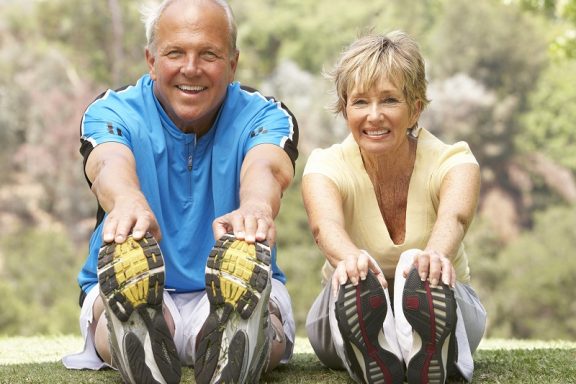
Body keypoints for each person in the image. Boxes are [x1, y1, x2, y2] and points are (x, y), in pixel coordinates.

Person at [62, 0, 299, 383]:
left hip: (237, 286)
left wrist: (256, 205)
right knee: (122, 310)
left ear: (233, 63)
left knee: (260, 310)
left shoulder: (265, 115)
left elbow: (267, 165)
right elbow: (107, 163)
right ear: (151, 60)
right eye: (175, 53)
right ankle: (138, 326)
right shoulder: (113, 111)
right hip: (140, 284)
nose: (191, 68)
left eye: (209, 54)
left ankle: (242, 330)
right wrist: (127, 201)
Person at [303, 31, 486, 384]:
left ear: (415, 107)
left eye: (389, 100)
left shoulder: (454, 160)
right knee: (355, 278)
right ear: (344, 109)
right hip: (342, 302)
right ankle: (376, 343)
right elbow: (324, 227)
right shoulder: (325, 165)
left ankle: (427, 339)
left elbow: (455, 216)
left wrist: (431, 258)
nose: (374, 116)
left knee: (414, 265)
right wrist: (351, 261)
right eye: (360, 102)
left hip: (452, 305)